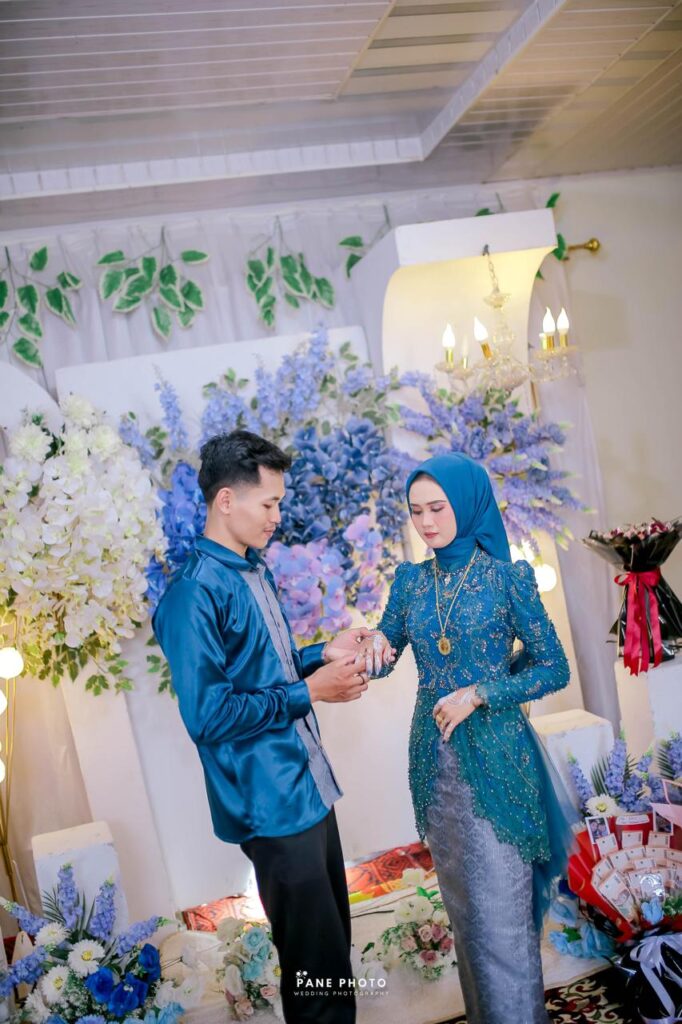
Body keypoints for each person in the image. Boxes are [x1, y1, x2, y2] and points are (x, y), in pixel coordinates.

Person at [153, 430, 378, 1024]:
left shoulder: (252, 570)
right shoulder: (192, 595)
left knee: (330, 953)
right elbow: (210, 716)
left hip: (308, 786)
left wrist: (321, 655)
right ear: (226, 500)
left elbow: (264, 671)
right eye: (269, 503)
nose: (278, 516)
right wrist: (311, 692)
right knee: (314, 971)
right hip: (270, 802)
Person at [367, 452, 577, 1024]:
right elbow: (384, 656)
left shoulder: (507, 580)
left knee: (502, 921)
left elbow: (553, 667)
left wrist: (481, 693)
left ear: (467, 502)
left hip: (498, 762)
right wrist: (369, 647)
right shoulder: (411, 582)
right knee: (466, 919)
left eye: (438, 508)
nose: (426, 522)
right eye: (416, 511)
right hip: (434, 766)